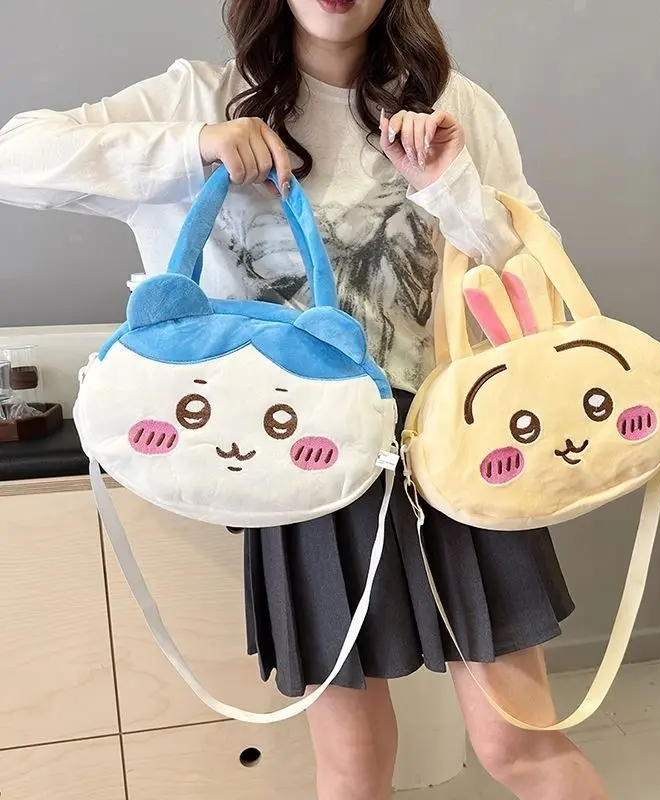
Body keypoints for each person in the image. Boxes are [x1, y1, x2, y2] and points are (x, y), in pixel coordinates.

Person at [0, 1, 609, 798]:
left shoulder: (450, 101)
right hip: (301, 462)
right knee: (353, 764)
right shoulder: (199, 97)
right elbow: (16, 156)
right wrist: (196, 146)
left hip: (451, 450)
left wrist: (447, 185)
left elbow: (529, 275)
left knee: (518, 745)